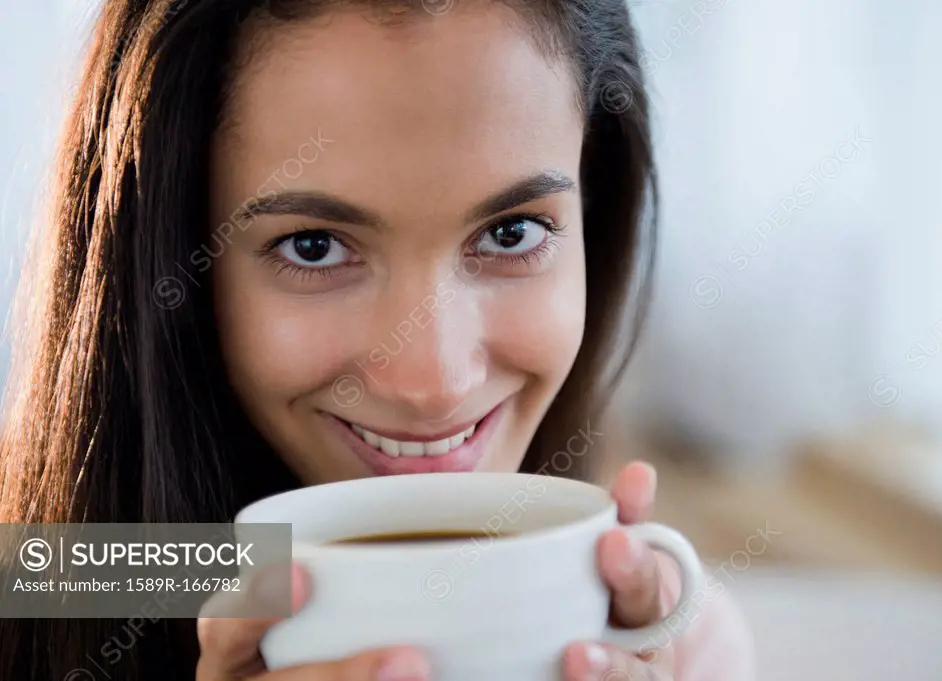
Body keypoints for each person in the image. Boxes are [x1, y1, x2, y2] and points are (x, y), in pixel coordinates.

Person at [0, 0, 755, 679]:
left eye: (512, 232)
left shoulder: (677, 645)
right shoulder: (64, 582)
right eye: (316, 247)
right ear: (171, 259)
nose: (434, 381)